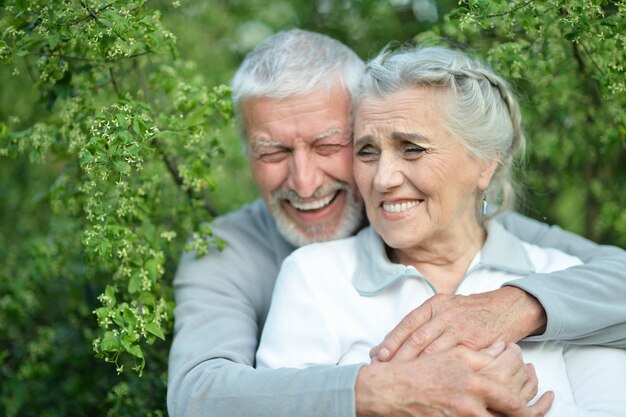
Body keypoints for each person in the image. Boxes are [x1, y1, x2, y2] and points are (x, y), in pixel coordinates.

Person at [167, 29, 626, 417]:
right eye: (273, 153)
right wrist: (393, 389)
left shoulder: (513, 245)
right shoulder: (245, 254)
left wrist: (513, 308)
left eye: (329, 146)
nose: (304, 184)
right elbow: (198, 394)